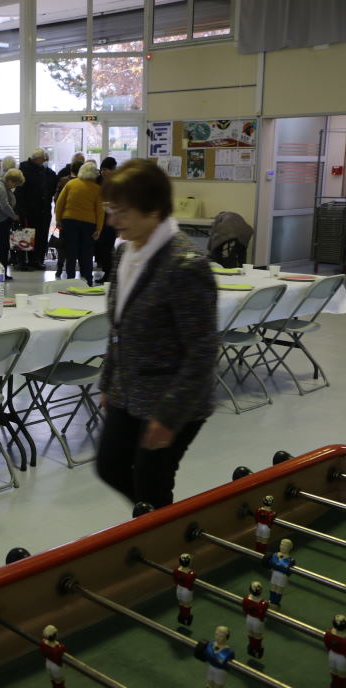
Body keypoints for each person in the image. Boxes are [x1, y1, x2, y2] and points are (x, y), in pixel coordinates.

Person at [95, 159, 217, 509]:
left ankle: (162, 535)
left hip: (171, 399)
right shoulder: (125, 254)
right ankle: (160, 525)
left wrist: (168, 417)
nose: (113, 221)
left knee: (151, 483)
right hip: (127, 390)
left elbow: (203, 351)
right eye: (111, 209)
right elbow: (119, 328)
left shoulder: (184, 265)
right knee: (110, 467)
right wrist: (109, 383)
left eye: (122, 211)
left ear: (154, 210)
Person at [54, 160, 103, 285]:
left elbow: (59, 203)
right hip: (89, 223)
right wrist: (98, 229)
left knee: (71, 252)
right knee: (87, 253)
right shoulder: (97, 189)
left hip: (69, 221)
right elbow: (100, 211)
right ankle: (88, 280)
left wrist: (58, 220)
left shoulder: (71, 184)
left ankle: (70, 279)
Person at [15, 149, 51, 269]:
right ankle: (22, 262)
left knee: (38, 236)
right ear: (37, 159)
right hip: (27, 209)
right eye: (43, 159)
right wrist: (21, 210)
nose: (44, 161)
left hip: (40, 210)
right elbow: (19, 191)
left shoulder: (41, 169)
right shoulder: (24, 169)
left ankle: (34, 260)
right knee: (23, 234)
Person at [0, 168, 24, 279]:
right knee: (0, 249)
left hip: (0, 221)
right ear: (10, 180)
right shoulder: (0, 187)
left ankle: (0, 273)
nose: (14, 187)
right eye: (15, 184)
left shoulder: (3, 186)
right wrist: (14, 216)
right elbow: (4, 205)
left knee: (2, 248)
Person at [94, 157, 118, 282]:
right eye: (102, 169)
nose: (103, 172)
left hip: (111, 219)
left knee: (107, 247)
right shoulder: (98, 180)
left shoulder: (117, 182)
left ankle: (109, 274)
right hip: (99, 218)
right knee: (101, 246)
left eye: (105, 169)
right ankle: (106, 271)